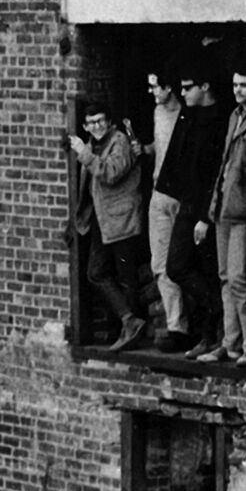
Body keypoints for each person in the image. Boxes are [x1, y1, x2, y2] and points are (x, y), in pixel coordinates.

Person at [160, 69, 229, 356]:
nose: (184, 93)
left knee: (209, 270)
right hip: (187, 205)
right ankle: (217, 308)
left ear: (205, 84)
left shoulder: (219, 120)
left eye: (188, 87)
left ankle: (211, 335)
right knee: (176, 266)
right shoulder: (189, 116)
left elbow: (216, 172)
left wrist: (204, 217)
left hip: (207, 210)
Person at [70, 102, 150, 351]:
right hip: (102, 220)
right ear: (85, 126)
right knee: (96, 272)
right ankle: (129, 321)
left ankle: (132, 330)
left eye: (101, 121)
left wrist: (84, 153)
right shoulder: (93, 145)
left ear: (109, 121)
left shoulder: (120, 142)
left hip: (122, 218)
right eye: (91, 123)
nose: (97, 126)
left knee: (126, 277)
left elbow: (111, 172)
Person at [197, 69, 246, 366]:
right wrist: (212, 205)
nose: (238, 90)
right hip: (224, 205)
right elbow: (225, 164)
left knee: (238, 278)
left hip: (242, 210)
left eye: (244, 85)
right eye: (235, 85)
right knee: (225, 278)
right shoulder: (234, 116)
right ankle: (231, 343)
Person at [141, 69, 188, 351]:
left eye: (155, 87)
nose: (152, 92)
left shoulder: (185, 114)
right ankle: (176, 326)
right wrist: (145, 150)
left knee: (181, 264)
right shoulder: (158, 114)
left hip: (180, 196)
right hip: (159, 193)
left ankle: (191, 326)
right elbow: (160, 147)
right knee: (159, 264)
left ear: (170, 88)